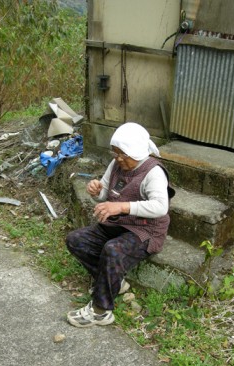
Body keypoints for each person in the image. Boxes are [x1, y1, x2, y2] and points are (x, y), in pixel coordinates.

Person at [66, 122, 174, 328]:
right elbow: (106, 194)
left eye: (123, 154)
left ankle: (101, 310)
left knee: (112, 250)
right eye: (115, 153)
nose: (118, 158)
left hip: (145, 231)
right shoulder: (116, 164)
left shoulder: (153, 172)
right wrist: (97, 192)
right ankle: (116, 283)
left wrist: (123, 207)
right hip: (119, 224)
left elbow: (161, 207)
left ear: (138, 152)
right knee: (76, 240)